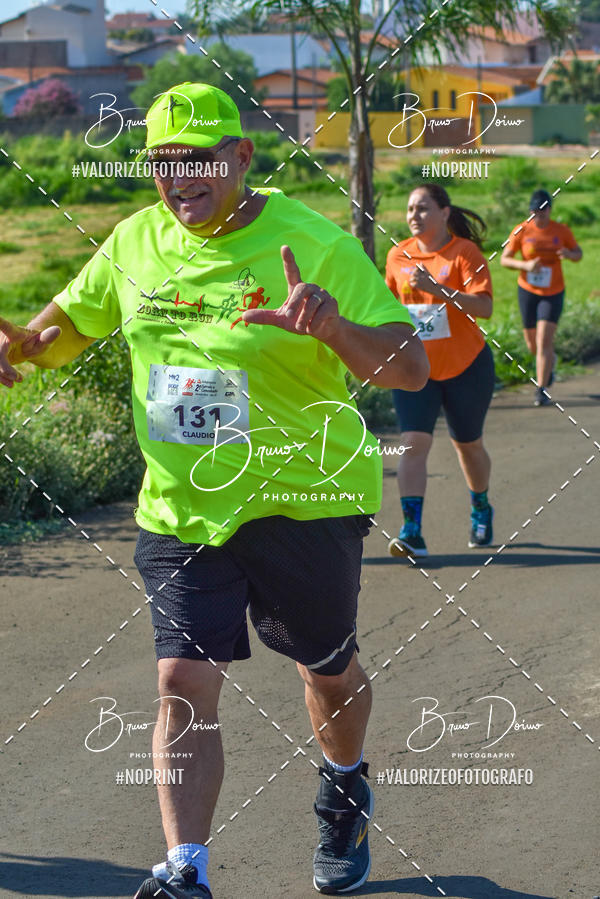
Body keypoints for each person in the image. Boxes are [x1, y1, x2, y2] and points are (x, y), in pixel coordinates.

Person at [0, 83, 429, 898]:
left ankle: (344, 786)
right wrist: (18, 345)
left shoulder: (314, 240)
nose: (180, 176)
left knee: (326, 669)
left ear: (241, 156)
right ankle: (185, 868)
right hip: (184, 507)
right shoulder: (133, 243)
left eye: (199, 158)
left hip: (307, 497)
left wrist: (333, 326)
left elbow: (410, 367)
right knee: (181, 680)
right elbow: (57, 334)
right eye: (163, 161)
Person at [384, 183, 495, 558]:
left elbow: (484, 307)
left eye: (423, 208)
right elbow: (387, 310)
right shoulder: (397, 256)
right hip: (416, 369)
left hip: (466, 366)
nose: (414, 215)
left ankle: (480, 504)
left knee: (468, 446)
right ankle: (411, 531)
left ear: (445, 213)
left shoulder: (465, 253)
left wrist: (438, 289)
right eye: (410, 209)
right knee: (414, 443)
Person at [501, 189, 582, 406]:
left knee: (543, 339)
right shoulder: (521, 230)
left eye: (542, 212)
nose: (538, 216)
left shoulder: (561, 231)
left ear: (549, 210)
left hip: (553, 291)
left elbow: (578, 253)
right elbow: (505, 259)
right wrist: (525, 265)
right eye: (534, 212)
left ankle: (541, 388)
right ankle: (549, 366)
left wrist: (569, 255)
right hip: (527, 289)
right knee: (532, 343)